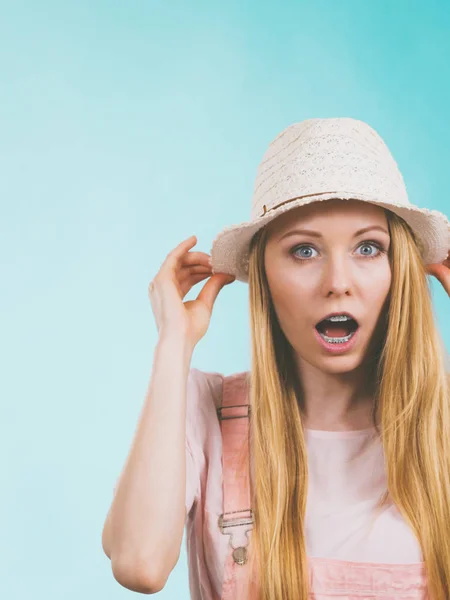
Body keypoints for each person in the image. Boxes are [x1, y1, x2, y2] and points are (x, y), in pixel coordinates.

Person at [101, 118, 450, 599]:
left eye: (368, 248)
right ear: (263, 277)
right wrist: (173, 344)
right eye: (304, 250)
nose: (337, 282)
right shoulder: (206, 411)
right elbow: (138, 564)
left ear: (400, 271)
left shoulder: (443, 419)